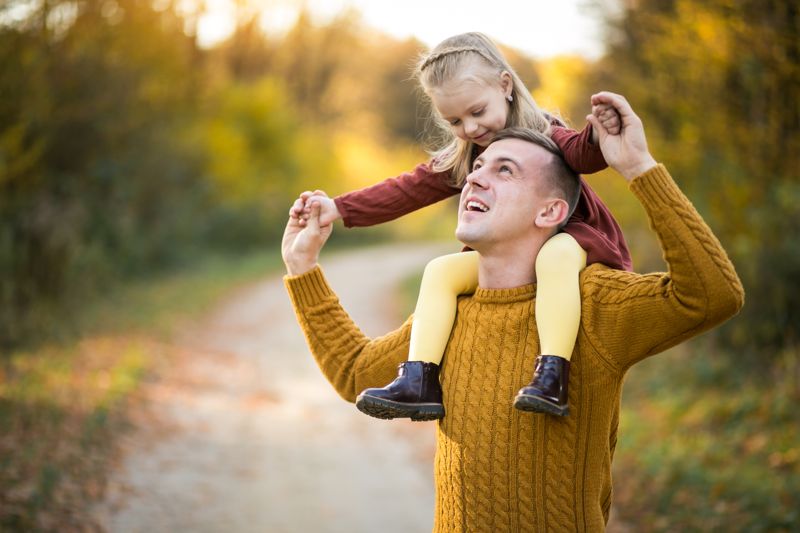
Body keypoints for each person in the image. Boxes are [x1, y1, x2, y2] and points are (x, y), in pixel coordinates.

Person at [282, 92, 744, 531]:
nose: (475, 178)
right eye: (477, 167)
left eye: (505, 171)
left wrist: (639, 167)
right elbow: (355, 372)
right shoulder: (448, 314)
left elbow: (713, 295)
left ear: (550, 212)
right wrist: (302, 268)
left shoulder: (595, 305)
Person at [290, 32, 630, 419]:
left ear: (505, 86)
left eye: (477, 111)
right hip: (510, 257)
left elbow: (585, 155)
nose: (469, 128)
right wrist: (338, 207)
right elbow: (407, 189)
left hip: (571, 240)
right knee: (442, 270)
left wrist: (600, 131)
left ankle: (552, 376)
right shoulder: (469, 156)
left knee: (555, 255)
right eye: (454, 120)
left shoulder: (546, 133)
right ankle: (419, 380)